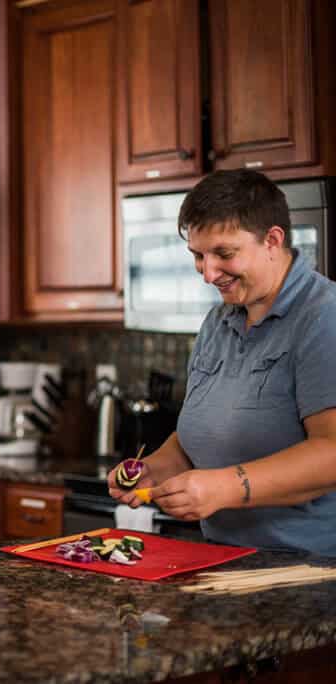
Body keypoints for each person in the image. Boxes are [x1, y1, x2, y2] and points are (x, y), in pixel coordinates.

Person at [109, 169, 336, 556]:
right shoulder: (219, 321)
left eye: (224, 254)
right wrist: (154, 469)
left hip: (307, 571)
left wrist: (225, 488)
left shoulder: (323, 317)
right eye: (198, 256)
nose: (208, 273)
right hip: (221, 557)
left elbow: (331, 451)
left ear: (272, 240)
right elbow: (198, 436)